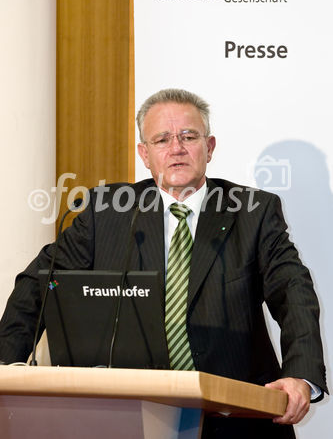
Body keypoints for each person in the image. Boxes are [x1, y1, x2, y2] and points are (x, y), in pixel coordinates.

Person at [0, 89, 327, 438]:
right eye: (162, 139)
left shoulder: (253, 211)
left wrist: (300, 375)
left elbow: (293, 291)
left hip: (235, 415)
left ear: (210, 146)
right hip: (128, 414)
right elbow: (39, 282)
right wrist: (5, 366)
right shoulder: (107, 212)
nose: (176, 148)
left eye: (189, 136)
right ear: (144, 153)